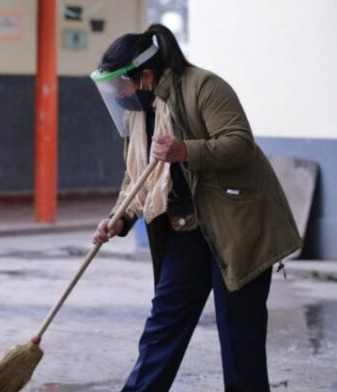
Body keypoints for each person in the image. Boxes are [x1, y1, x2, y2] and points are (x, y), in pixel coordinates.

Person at [90, 24, 303, 392]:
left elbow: (240, 144)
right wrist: (119, 218)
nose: (118, 95)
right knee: (164, 323)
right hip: (185, 227)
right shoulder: (137, 114)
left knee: (239, 335)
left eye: (120, 85)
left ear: (146, 76)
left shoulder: (204, 87)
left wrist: (185, 151)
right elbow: (136, 175)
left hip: (236, 225)